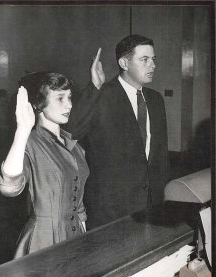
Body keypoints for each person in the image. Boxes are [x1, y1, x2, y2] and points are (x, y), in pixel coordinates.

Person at [0, 50, 104, 258]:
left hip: (75, 236)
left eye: (70, 97)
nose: (69, 104)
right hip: (43, 240)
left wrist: (83, 232)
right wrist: (22, 130)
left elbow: (78, 203)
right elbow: (8, 187)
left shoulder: (74, 145)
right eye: (60, 98)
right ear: (38, 104)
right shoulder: (30, 142)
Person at [67, 34, 170, 230]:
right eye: (144, 59)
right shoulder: (101, 95)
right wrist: (94, 87)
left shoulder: (156, 100)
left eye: (153, 59)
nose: (153, 65)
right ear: (124, 62)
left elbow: (160, 155)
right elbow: (72, 130)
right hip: (110, 208)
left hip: (150, 202)